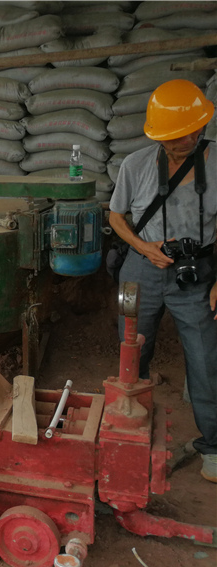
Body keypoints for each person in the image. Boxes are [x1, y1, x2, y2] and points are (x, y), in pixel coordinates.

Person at [109, 79, 217, 483]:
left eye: (194, 130)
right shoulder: (135, 165)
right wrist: (143, 245)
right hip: (140, 270)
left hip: (197, 274)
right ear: (157, 134)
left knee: (206, 359)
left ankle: (213, 446)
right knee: (131, 350)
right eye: (176, 135)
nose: (187, 139)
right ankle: (129, 432)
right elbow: (116, 217)